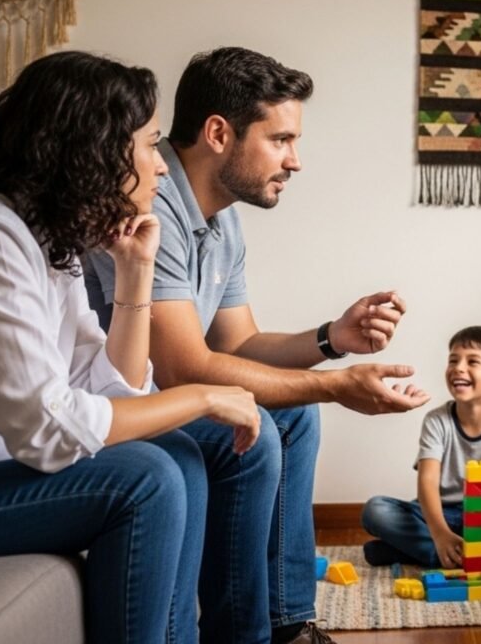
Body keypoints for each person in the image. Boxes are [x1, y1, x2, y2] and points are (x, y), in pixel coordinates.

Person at [84, 47, 430, 644]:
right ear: (219, 132)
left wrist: (330, 339)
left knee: (294, 414)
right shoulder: (151, 200)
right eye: (281, 140)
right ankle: (244, 636)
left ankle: (287, 624)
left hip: (157, 392)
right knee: (258, 427)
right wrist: (338, 386)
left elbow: (237, 343)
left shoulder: (221, 217)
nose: (295, 161)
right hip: (119, 404)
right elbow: (183, 367)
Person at [0, 51, 261, 643]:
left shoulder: (47, 238)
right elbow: (49, 427)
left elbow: (111, 390)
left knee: (177, 454)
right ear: (94, 152)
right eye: (149, 145)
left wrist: (135, 273)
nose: (160, 167)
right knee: (146, 475)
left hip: (2, 471)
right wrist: (204, 396)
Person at [361, 326, 481, 568]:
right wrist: (440, 533)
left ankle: (412, 552)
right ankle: (477, 556)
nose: (458, 368)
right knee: (376, 510)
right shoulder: (437, 420)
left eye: (473, 361)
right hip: (439, 513)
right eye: (453, 360)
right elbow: (427, 481)